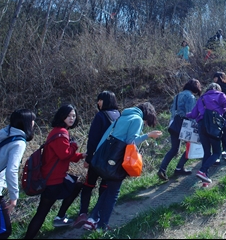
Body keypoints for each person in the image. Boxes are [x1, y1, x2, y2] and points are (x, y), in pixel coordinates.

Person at [82, 102, 162, 231]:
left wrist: (96, 154)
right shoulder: (137, 119)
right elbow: (132, 141)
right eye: (147, 122)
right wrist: (148, 135)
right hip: (117, 160)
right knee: (113, 192)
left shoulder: (123, 116)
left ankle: (91, 219)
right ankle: (102, 226)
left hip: (105, 158)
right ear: (146, 116)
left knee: (109, 190)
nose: (145, 124)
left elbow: (106, 135)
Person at [24, 104, 86, 239]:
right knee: (42, 212)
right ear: (61, 116)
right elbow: (65, 154)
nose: (72, 118)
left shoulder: (58, 131)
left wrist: (81, 155)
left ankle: (60, 216)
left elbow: (64, 155)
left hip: (55, 177)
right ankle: (58, 218)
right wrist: (74, 145)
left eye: (74, 116)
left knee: (77, 185)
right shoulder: (61, 133)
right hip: (53, 180)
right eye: (69, 116)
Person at [72, 91, 121, 228]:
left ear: (105, 101)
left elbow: (93, 138)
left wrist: (89, 157)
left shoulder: (101, 116)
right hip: (111, 160)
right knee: (104, 187)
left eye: (99, 100)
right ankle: (98, 215)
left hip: (97, 158)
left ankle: (83, 213)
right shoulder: (119, 115)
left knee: (88, 185)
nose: (98, 103)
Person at [185, 83, 226, 184]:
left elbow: (193, 114)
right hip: (214, 126)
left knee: (207, 152)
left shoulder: (201, 98)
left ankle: (204, 179)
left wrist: (184, 114)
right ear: (217, 88)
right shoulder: (220, 95)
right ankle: (202, 171)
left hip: (201, 126)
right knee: (217, 152)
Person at [0, 109, 35, 239]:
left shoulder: (3, 134)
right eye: (32, 121)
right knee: (3, 230)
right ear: (27, 123)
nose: (34, 123)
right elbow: (12, 170)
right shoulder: (18, 142)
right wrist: (14, 196)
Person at [158, 79, 202, 181]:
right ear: (195, 87)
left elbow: (173, 110)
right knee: (190, 146)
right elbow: (191, 114)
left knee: (174, 149)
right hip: (185, 125)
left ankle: (162, 169)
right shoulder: (190, 97)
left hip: (174, 123)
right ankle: (179, 167)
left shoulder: (177, 95)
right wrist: (196, 126)